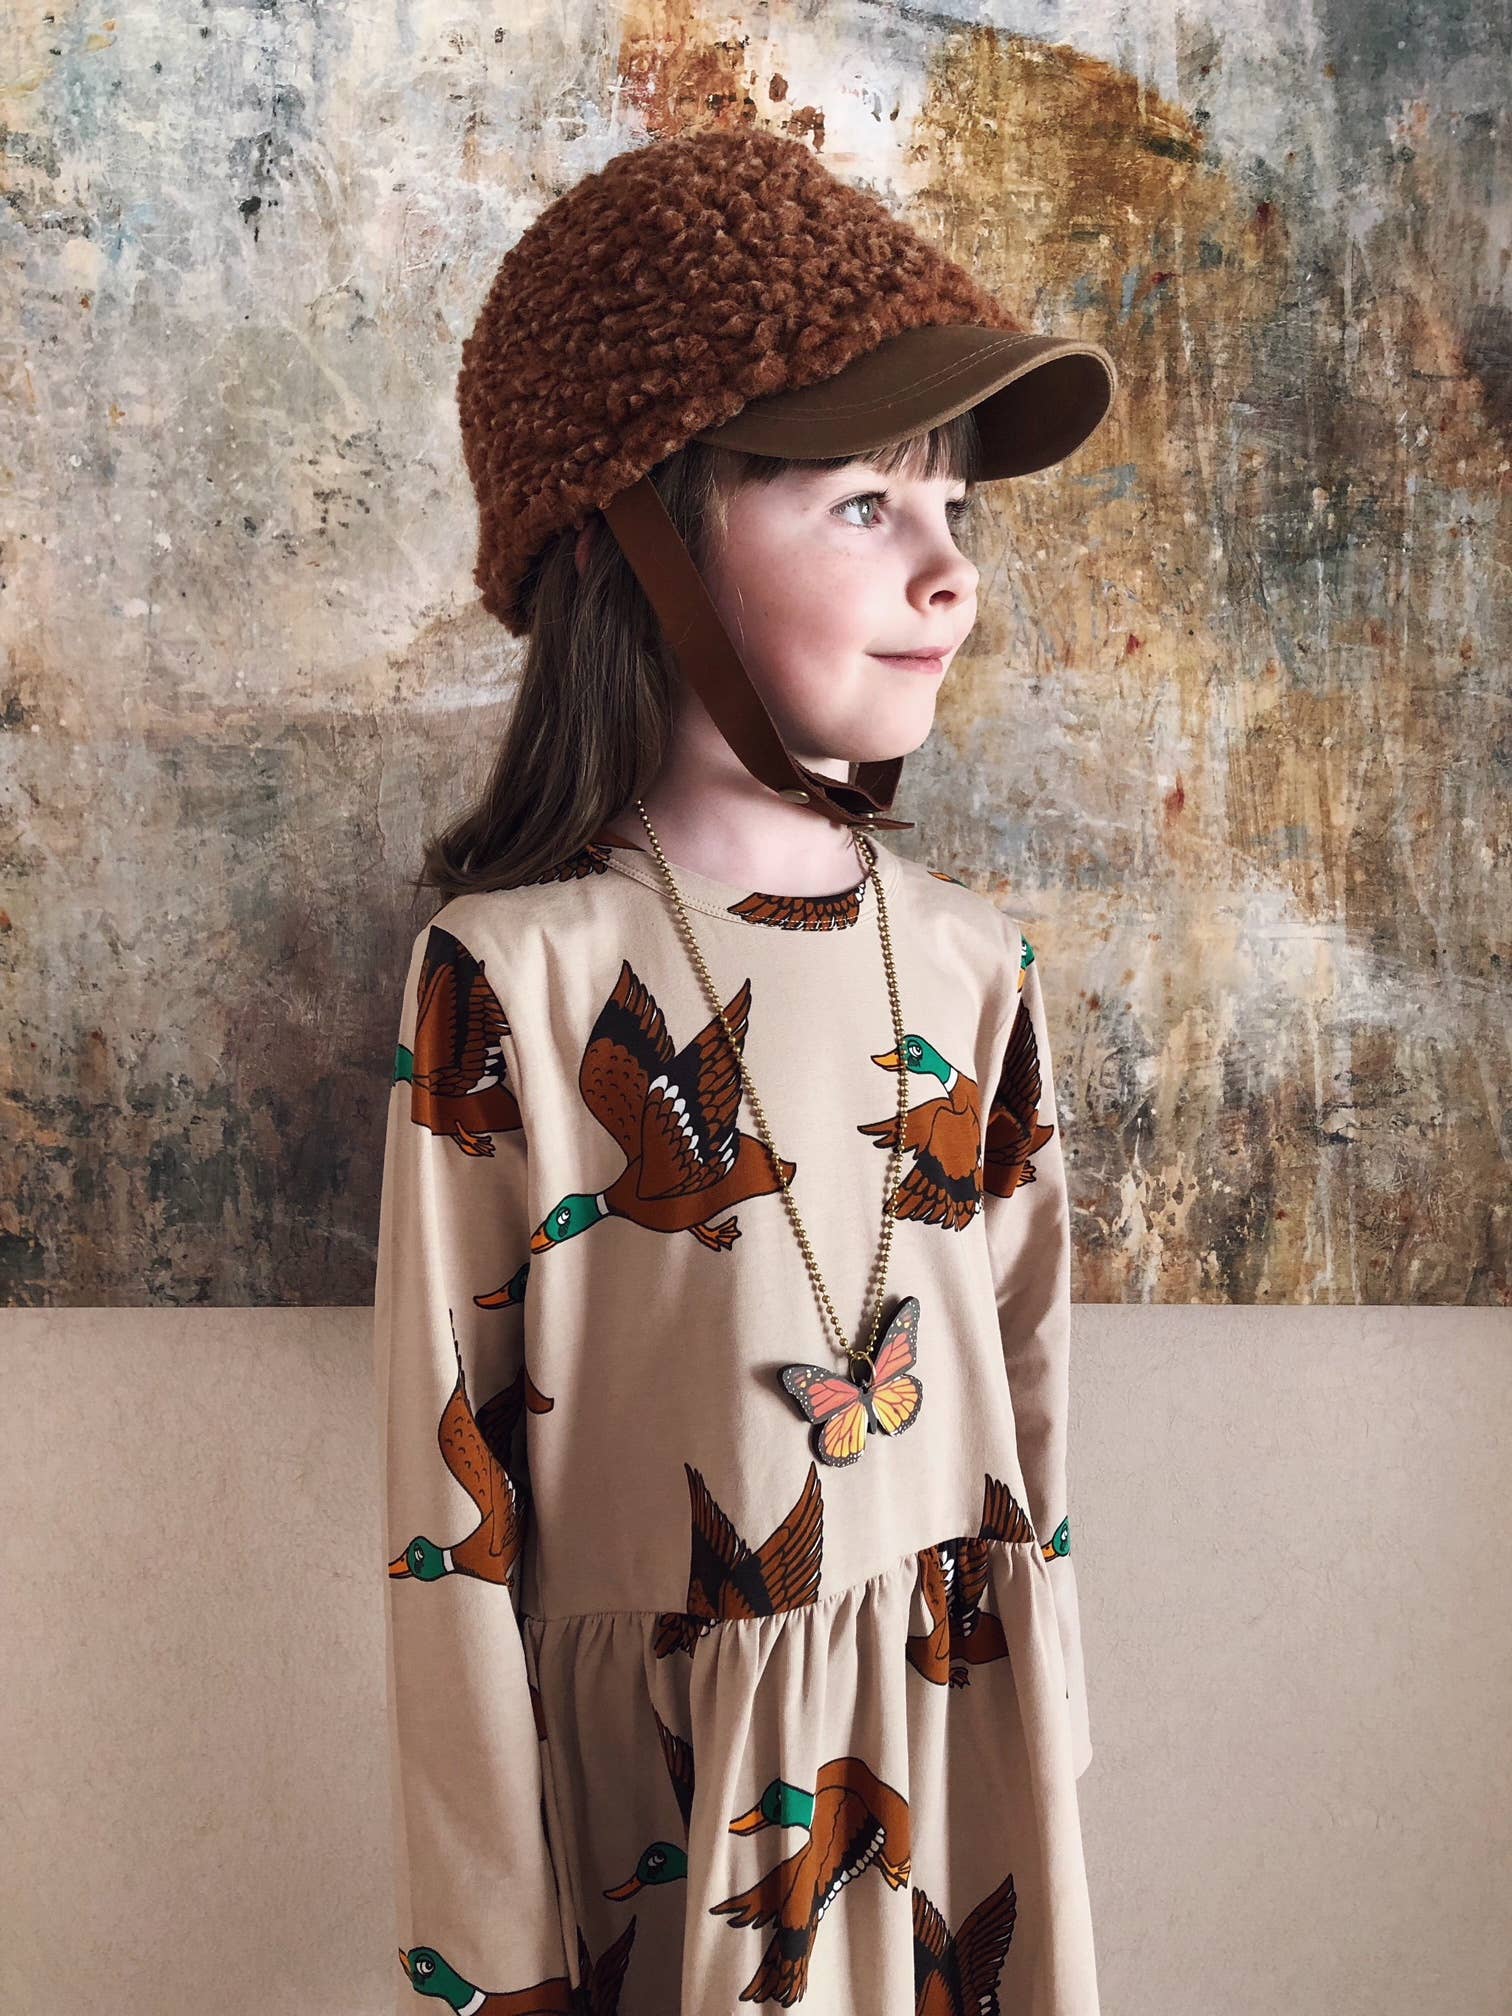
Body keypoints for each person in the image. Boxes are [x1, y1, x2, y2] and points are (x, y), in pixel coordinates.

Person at [374, 126, 1118, 2015]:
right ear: (637, 532)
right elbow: (448, 1503)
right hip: (669, 1843)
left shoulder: (976, 964)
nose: (948, 574)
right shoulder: (514, 983)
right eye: (869, 504)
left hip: (952, 1787)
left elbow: (1030, 1417)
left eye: (959, 511)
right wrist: (492, 1947)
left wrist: (1055, 1740)